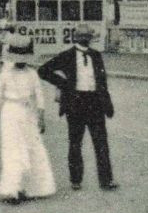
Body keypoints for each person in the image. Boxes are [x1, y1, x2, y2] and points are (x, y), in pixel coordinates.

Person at [37, 23, 117, 191]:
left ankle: (106, 180)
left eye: (88, 37)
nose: (87, 39)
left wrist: (107, 104)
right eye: (85, 37)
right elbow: (43, 70)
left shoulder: (96, 55)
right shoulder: (67, 55)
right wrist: (64, 84)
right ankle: (75, 179)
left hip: (95, 102)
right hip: (76, 102)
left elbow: (102, 82)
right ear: (78, 38)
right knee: (75, 143)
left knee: (101, 143)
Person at [0, 38, 56, 204]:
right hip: (13, 113)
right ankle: (14, 189)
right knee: (14, 150)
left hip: (23, 113)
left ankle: (26, 187)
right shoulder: (8, 75)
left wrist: (41, 118)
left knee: (28, 148)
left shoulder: (30, 74)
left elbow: (39, 97)